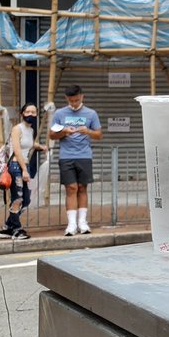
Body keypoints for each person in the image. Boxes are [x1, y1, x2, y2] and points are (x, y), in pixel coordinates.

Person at [50, 85, 103, 235]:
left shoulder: (91, 114)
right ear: (67, 99)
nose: (74, 103)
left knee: (82, 188)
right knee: (71, 188)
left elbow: (99, 135)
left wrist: (88, 131)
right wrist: (63, 132)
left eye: (77, 100)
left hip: (84, 155)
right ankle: (71, 224)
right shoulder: (59, 113)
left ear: (82, 97)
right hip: (66, 156)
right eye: (71, 100)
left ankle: (83, 223)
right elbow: (51, 135)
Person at [0, 104, 47, 240]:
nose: (30, 114)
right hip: (16, 167)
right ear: (22, 113)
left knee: (26, 199)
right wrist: (24, 170)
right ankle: (17, 230)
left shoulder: (30, 130)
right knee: (18, 198)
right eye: (27, 111)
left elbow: (28, 145)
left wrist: (40, 146)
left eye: (33, 112)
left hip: (24, 165)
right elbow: (17, 150)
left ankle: (7, 227)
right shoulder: (16, 129)